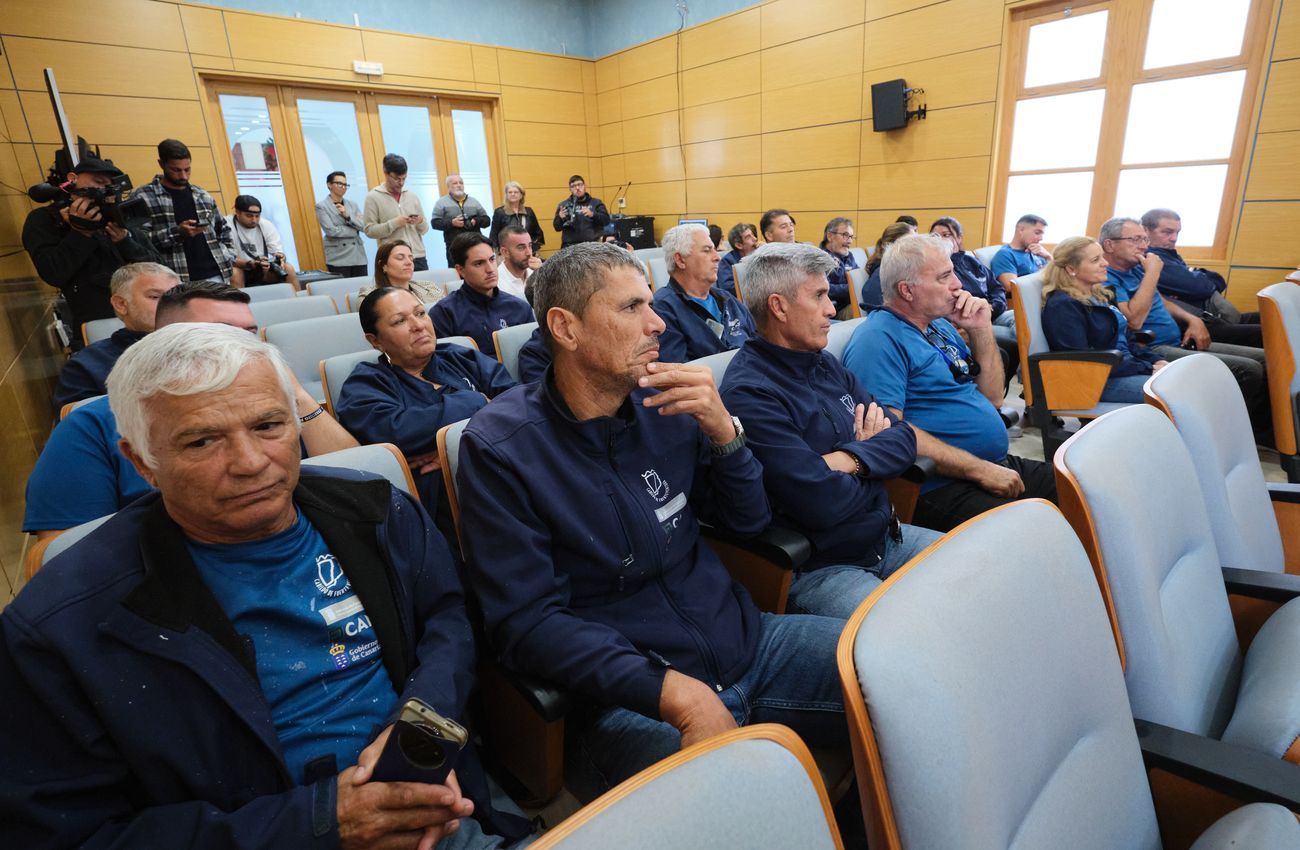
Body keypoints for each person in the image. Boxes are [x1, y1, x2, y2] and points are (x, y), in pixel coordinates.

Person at [2, 323, 533, 850]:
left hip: (435, 809)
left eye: (268, 426)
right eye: (202, 440)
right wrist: (321, 823)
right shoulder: (61, 625)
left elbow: (449, 621)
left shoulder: (377, 511)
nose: (251, 463)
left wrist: (424, 727)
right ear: (143, 462)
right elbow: (69, 835)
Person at [456, 242, 849, 802]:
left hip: (748, 641)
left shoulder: (666, 402)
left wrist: (724, 434)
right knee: (747, 808)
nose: (658, 321)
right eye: (632, 308)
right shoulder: (501, 447)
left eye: (651, 302)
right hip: (628, 697)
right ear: (565, 328)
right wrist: (674, 694)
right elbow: (527, 624)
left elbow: (749, 520)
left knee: (898, 677)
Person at [23, 281, 359, 542]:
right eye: (222, 333)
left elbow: (352, 480)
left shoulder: (277, 405)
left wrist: (296, 394)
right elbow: (72, 563)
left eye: (250, 333)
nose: (245, 347)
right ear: (166, 339)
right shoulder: (90, 427)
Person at [720, 243, 939, 618]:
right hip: (824, 566)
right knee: (913, 633)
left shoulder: (823, 364)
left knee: (982, 577)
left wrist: (848, 458)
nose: (832, 308)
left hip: (886, 536)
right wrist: (872, 459)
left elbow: (902, 437)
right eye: (819, 295)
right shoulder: (750, 392)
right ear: (779, 306)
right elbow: (822, 504)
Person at [842, 234, 1057, 532]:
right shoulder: (878, 341)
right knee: (1036, 532)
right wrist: (978, 469)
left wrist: (981, 328)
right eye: (945, 277)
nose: (958, 284)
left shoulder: (939, 325)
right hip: (937, 486)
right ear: (907, 290)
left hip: (989, 464)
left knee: (1080, 487)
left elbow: (993, 398)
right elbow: (889, 431)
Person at [336, 287, 515, 538]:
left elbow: (517, 405)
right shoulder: (366, 385)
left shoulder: (459, 356)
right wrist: (478, 401)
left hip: (505, 472)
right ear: (375, 340)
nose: (418, 325)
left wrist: (450, 450)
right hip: (439, 508)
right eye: (400, 321)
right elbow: (398, 432)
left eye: (420, 313)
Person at [1100, 216, 1269, 436]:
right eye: (1135, 239)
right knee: (1248, 370)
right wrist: (1153, 273)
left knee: (1266, 359)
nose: (1143, 245)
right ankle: (1226, 435)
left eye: (1144, 238)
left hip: (1178, 338)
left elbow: (1158, 298)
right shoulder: (1106, 276)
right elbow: (1134, 320)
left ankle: (1265, 430)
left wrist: (1193, 319)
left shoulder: (1135, 268)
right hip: (1152, 349)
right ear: (1110, 245)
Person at [21, 154, 159, 342]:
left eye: (110, 186)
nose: (104, 190)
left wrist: (125, 241)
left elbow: (159, 268)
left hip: (143, 320)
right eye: (98, 182)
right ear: (72, 179)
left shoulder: (117, 216)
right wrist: (80, 234)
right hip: (96, 324)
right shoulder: (46, 219)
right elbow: (53, 273)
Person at [1040, 236, 1166, 402]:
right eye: (1095, 260)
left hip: (1122, 369)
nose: (1105, 263)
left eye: (1102, 257)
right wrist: (1147, 368)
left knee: (1184, 382)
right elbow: (1082, 361)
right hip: (1096, 381)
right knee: (1175, 394)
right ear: (1071, 268)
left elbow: (1125, 340)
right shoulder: (1063, 306)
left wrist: (1156, 360)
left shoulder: (1101, 295)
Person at [52, 262, 178, 410]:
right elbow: (82, 426)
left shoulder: (202, 346)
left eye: (177, 296)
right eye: (155, 296)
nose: (171, 304)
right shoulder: (86, 366)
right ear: (121, 304)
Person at [1143, 208, 1263, 347]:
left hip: (1214, 316)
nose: (1174, 238)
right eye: (1167, 232)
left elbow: (1218, 279)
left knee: (1276, 316)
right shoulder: (1152, 258)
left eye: (1177, 232)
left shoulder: (1169, 254)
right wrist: (1199, 278)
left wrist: (1198, 278)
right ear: (1146, 230)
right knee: (1266, 333)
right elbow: (1200, 288)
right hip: (1198, 323)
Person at [131, 138, 237, 284]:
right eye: (176, 170)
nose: (183, 176)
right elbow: (136, 242)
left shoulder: (202, 195)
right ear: (161, 164)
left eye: (187, 169)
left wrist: (228, 255)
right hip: (175, 279)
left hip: (217, 275)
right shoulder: (143, 197)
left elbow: (224, 230)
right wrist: (177, 233)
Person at [930, 216, 1019, 386]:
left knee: (1021, 320)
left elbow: (997, 288)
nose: (940, 240)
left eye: (946, 234)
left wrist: (993, 308)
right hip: (967, 318)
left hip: (992, 312)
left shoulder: (970, 261)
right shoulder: (939, 267)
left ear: (959, 238)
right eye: (935, 236)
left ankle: (1030, 381)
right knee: (1012, 345)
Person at [652, 223, 755, 362]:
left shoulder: (727, 299)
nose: (717, 257)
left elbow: (758, 343)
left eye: (714, 249)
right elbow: (680, 373)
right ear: (680, 259)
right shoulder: (663, 308)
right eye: (707, 250)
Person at [429, 234, 534, 354]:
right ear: (460, 270)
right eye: (479, 263)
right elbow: (446, 365)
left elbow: (535, 355)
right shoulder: (444, 314)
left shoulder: (520, 307)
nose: (490, 269)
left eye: (492, 259)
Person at [362, 153, 431, 270]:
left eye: (404, 178)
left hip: (418, 257)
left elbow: (424, 230)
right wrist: (395, 223)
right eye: (396, 178)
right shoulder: (373, 197)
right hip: (393, 258)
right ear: (385, 172)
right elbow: (369, 231)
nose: (401, 183)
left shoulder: (412, 196)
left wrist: (420, 222)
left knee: (422, 288)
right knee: (397, 289)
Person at [231, 195, 301, 290]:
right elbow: (227, 258)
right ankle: (239, 304)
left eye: (257, 216)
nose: (254, 220)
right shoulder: (226, 226)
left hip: (263, 268)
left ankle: (298, 300)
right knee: (234, 272)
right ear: (237, 212)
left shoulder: (266, 225)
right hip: (241, 267)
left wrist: (280, 257)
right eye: (249, 216)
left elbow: (278, 252)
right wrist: (250, 263)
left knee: (288, 268)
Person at [356, 240, 447, 305]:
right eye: (400, 258)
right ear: (383, 265)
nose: (409, 262)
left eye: (411, 258)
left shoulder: (429, 287)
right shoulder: (369, 297)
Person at [315, 171, 367, 277]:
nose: (343, 187)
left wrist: (348, 216)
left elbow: (363, 226)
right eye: (339, 184)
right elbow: (331, 231)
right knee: (343, 289)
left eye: (345, 184)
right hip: (338, 256)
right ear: (329, 185)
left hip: (358, 255)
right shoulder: (322, 206)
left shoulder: (352, 205)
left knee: (362, 289)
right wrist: (354, 229)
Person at [431, 175, 491, 267]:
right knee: (457, 273)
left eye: (461, 183)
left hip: (475, 245)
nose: (459, 185)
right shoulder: (441, 202)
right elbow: (434, 223)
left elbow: (487, 220)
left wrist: (476, 221)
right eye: (455, 183)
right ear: (448, 186)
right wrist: (452, 223)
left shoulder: (474, 201)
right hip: (454, 247)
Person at [989, 214, 1051, 294]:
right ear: (1021, 230)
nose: (1041, 238)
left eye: (1042, 234)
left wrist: (1048, 257)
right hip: (1033, 300)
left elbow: (1057, 276)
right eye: (1037, 233)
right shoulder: (1005, 255)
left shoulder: (1037, 252)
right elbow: (1012, 287)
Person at [860, 221, 914, 308]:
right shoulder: (881, 274)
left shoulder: (906, 269)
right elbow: (871, 295)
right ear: (892, 245)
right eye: (911, 242)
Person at [553, 175, 609, 247]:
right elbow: (557, 228)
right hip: (570, 246)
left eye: (579, 184)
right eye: (573, 186)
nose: (577, 188)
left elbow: (606, 220)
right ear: (570, 189)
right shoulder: (564, 205)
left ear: (585, 186)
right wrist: (560, 218)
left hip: (593, 245)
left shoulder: (596, 202)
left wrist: (593, 215)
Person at [820, 217, 858, 317]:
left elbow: (857, 280)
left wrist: (854, 287)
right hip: (833, 311)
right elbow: (827, 289)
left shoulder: (849, 256)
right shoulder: (819, 259)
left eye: (851, 237)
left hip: (850, 303)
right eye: (845, 235)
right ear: (830, 236)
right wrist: (852, 288)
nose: (849, 241)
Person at [488, 180, 544, 250]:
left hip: (527, 252)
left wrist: (532, 247)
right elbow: (494, 235)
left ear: (521, 195)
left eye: (516, 192)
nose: (513, 194)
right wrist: (499, 252)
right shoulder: (499, 212)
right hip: (508, 253)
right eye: (510, 192)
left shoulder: (529, 211)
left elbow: (538, 233)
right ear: (506, 195)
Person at [496, 225, 540, 301]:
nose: (529, 253)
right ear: (505, 252)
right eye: (521, 247)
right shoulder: (496, 283)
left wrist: (543, 273)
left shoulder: (536, 273)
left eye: (530, 246)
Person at [717, 222, 758, 295]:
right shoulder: (727, 261)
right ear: (739, 245)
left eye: (753, 235)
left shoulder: (758, 257)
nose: (755, 239)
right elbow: (728, 288)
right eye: (748, 237)